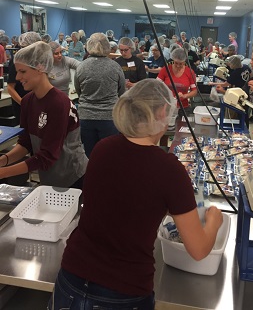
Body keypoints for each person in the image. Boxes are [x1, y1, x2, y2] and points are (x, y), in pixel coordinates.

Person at [48, 78, 223, 310]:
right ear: (163, 111)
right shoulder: (169, 169)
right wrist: (213, 221)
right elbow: (199, 249)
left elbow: (121, 198)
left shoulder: (103, 148)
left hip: (71, 278)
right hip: (122, 291)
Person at [0, 41, 88, 188]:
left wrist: (3, 173)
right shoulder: (28, 101)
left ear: (40, 68)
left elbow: (47, 156)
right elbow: (25, 143)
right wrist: (3, 160)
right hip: (49, 176)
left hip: (72, 177)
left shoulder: (59, 103)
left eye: (23, 71)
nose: (17, 78)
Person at [74, 33, 126, 157]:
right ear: (107, 46)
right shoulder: (115, 67)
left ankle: (91, 176)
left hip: (86, 116)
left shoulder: (81, 67)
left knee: (89, 154)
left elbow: (78, 90)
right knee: (109, 155)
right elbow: (121, 90)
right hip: (109, 117)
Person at [7, 31, 41, 123]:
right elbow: (10, 87)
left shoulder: (37, 60)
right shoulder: (17, 61)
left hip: (37, 102)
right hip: (22, 103)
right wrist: (24, 103)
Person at [157, 47, 197, 116]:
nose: (178, 66)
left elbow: (194, 91)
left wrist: (185, 96)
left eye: (181, 64)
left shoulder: (190, 72)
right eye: (176, 63)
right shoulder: (166, 69)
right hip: (167, 106)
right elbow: (156, 85)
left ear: (184, 61)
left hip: (183, 107)